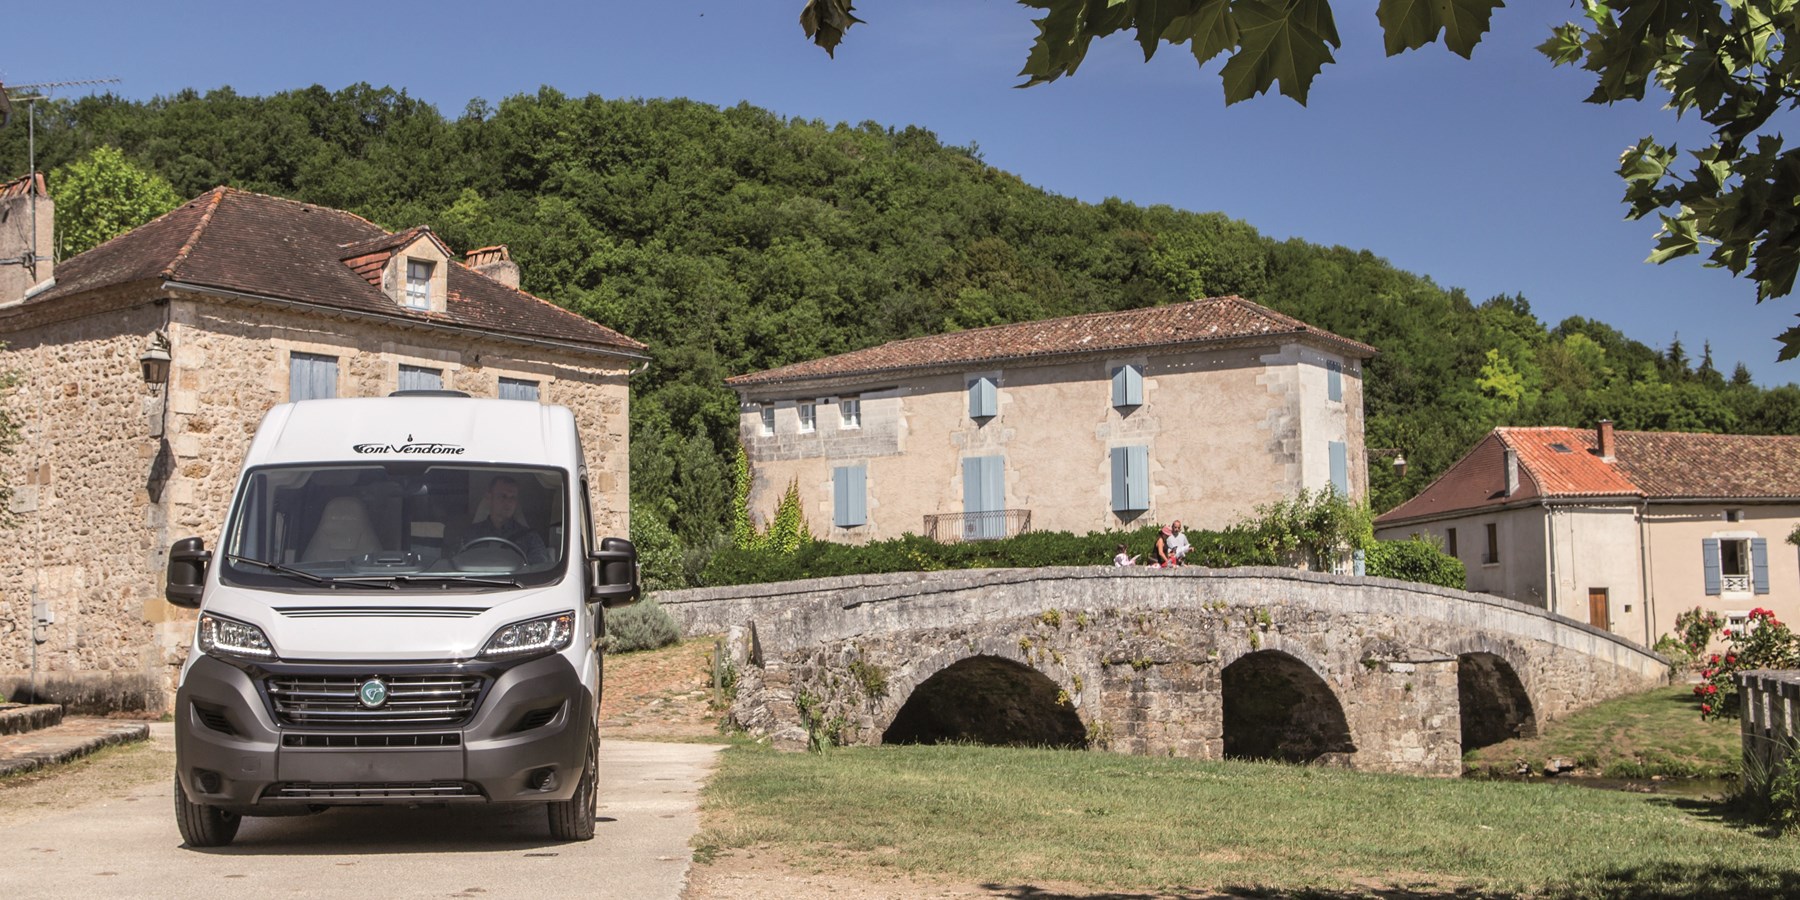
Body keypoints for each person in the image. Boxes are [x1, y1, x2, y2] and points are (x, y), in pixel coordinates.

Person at [462, 475, 550, 565]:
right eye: (503, 496)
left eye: (513, 497)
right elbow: (456, 565)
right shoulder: (470, 534)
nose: (508, 502)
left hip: (516, 579)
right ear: (489, 498)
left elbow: (539, 571)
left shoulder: (530, 538)